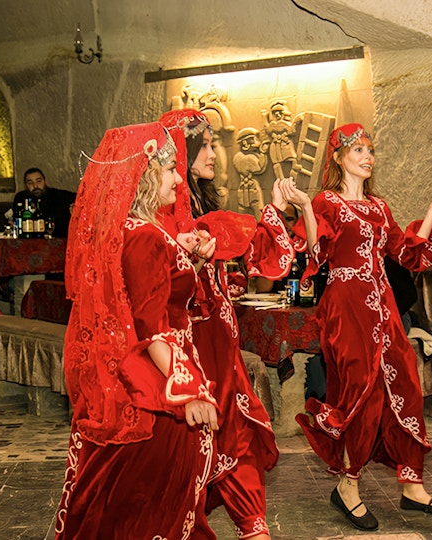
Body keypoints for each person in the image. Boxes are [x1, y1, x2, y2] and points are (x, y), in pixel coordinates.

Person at [290, 123, 432, 531]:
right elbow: (317, 252)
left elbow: (403, 251)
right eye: (358, 150)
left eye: (371, 150)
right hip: (345, 305)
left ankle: (412, 486)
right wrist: (305, 209)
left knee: (405, 383)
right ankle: (347, 488)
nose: (367, 157)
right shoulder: (326, 201)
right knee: (360, 392)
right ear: (338, 157)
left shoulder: (379, 207)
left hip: (381, 303)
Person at [54, 121, 219, 539]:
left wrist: (189, 260)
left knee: (132, 499)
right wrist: (187, 390)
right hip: (157, 384)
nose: (178, 178)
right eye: (168, 171)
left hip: (148, 374)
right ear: (144, 176)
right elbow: (151, 326)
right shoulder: (145, 236)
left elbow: (157, 296)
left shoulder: (138, 230)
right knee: (150, 502)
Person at [161, 108, 292, 540]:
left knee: (237, 436)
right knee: (191, 450)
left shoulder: (203, 201)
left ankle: (254, 528)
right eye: (205, 145)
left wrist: (223, 279)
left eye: (214, 143)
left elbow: (237, 246)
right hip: (192, 349)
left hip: (221, 345)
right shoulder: (162, 216)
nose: (214, 152)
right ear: (181, 151)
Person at [14, 168, 76, 238]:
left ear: (45, 181)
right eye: (30, 183)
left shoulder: (59, 196)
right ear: (25, 186)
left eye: (39, 181)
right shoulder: (21, 198)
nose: (35, 186)